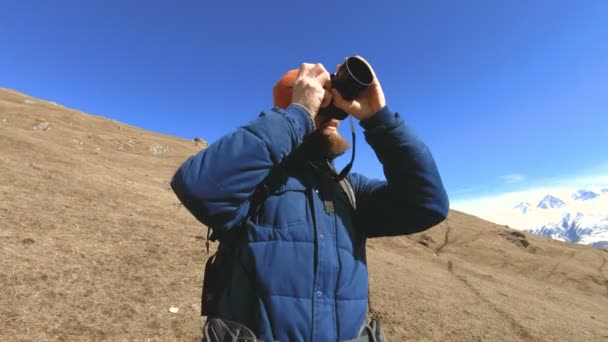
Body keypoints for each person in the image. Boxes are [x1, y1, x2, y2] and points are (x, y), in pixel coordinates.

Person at [170, 57, 449, 342]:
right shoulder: (256, 183)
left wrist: (380, 119)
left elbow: (427, 204)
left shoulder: (348, 190)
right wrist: (300, 114)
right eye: (321, 104)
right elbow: (197, 185)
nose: (333, 115)